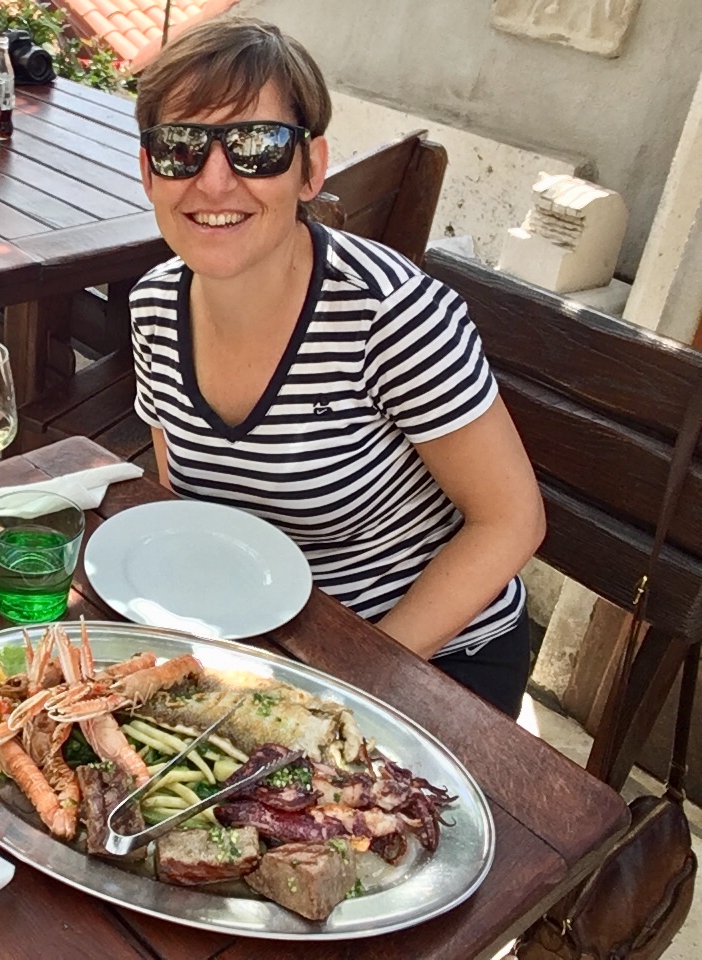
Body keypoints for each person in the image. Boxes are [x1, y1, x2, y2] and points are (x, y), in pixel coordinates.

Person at [129, 18, 546, 716]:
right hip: (264, 647)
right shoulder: (152, 307)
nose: (214, 180)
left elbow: (510, 522)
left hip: (429, 656)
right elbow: (184, 501)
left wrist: (346, 687)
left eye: (257, 147)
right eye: (180, 147)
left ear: (311, 168)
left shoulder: (389, 315)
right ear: (149, 171)